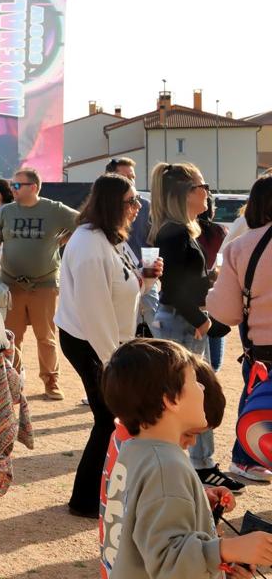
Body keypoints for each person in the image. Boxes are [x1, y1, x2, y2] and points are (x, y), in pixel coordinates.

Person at [100, 338, 272, 579]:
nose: (202, 389)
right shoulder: (166, 466)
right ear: (171, 399)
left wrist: (196, 499)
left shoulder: (136, 450)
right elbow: (167, 562)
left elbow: (149, 516)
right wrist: (229, 549)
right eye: (195, 381)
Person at [55, 174, 161, 518]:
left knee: (110, 418)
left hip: (106, 340)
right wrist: (112, 364)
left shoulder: (108, 237)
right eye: (131, 201)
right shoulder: (89, 245)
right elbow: (94, 310)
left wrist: (146, 279)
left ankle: (95, 495)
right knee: (107, 417)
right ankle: (85, 500)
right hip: (92, 342)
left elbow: (121, 288)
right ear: (113, 203)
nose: (137, 207)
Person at [148, 161, 243, 492]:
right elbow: (172, 289)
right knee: (188, 395)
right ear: (184, 193)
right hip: (181, 323)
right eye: (203, 187)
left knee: (196, 393)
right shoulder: (174, 232)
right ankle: (196, 467)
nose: (208, 194)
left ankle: (201, 465)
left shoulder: (181, 229)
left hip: (184, 321)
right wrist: (201, 320)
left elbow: (182, 281)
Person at [0, 167, 79, 401]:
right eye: (12, 185)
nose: (12, 189)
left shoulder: (53, 209)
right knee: (12, 337)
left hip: (44, 284)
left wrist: (63, 240)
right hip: (11, 285)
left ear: (34, 187)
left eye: (17, 185)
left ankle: (51, 381)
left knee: (45, 336)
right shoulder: (6, 212)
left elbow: (82, 223)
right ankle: (12, 382)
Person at [207, 173, 272, 483]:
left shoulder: (242, 247)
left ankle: (246, 459)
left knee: (258, 410)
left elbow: (226, 313)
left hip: (263, 353)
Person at [106, 157, 157, 333]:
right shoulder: (102, 210)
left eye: (132, 176)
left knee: (152, 328)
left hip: (144, 277)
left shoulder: (145, 206)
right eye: (125, 176)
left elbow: (152, 243)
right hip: (117, 281)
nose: (130, 180)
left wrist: (151, 275)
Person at [197, 196, 229, 372]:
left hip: (192, 301)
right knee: (214, 362)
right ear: (212, 210)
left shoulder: (187, 232)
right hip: (216, 296)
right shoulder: (221, 232)